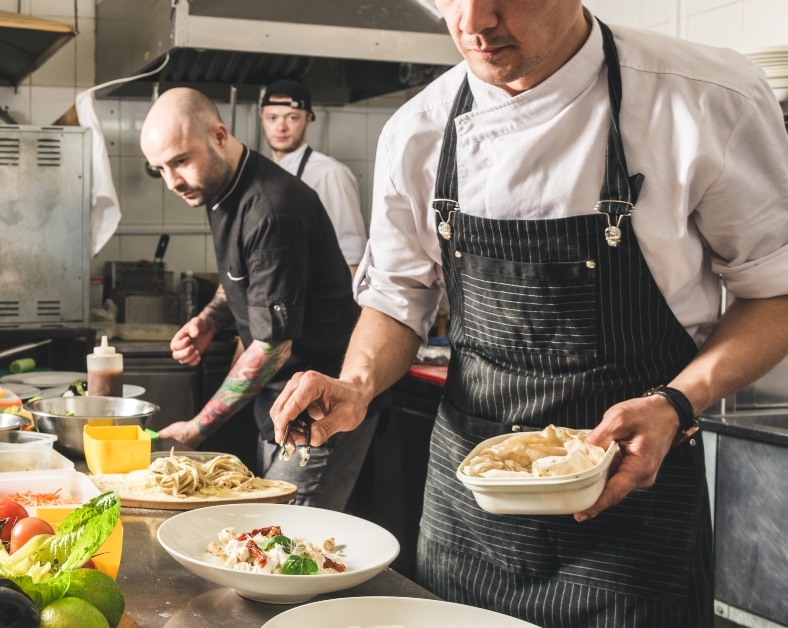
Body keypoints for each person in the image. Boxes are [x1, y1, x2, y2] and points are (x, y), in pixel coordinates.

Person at [271, 1, 788, 626]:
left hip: (631, 512)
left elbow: (775, 293)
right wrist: (356, 383)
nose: (474, 22)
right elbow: (399, 296)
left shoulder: (704, 99)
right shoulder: (418, 130)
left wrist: (676, 402)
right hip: (468, 520)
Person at [141, 87, 370, 510]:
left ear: (219, 135)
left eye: (180, 161)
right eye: (160, 169)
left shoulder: (272, 210)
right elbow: (239, 277)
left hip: (317, 411)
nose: (173, 181)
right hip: (275, 405)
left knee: (289, 544)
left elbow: (272, 347)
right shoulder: (217, 189)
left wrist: (196, 428)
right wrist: (210, 320)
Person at [260, 79, 367, 276]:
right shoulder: (261, 175)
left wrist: (345, 306)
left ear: (308, 119)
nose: (281, 127)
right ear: (262, 119)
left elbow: (352, 253)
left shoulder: (330, 173)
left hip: (317, 299)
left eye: (292, 118)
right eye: (272, 118)